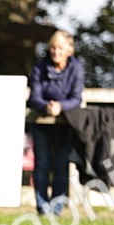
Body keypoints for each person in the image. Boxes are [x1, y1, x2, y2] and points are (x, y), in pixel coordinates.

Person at [27, 30, 84, 215]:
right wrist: (46, 106)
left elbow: (76, 98)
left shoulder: (76, 69)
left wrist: (61, 106)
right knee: (42, 164)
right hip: (41, 123)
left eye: (59, 48)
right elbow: (34, 97)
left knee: (61, 165)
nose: (55, 51)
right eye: (52, 47)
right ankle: (42, 207)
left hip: (65, 124)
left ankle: (57, 208)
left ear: (69, 51)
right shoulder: (39, 68)